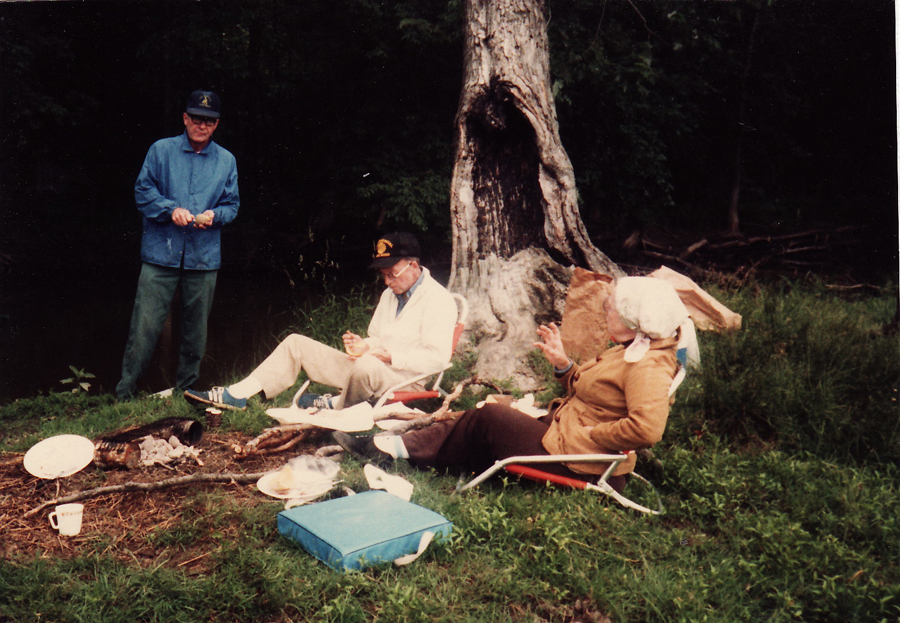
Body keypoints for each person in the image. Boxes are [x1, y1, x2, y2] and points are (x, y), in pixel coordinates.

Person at [334, 276, 700, 492]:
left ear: (634, 318)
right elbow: (596, 392)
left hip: (582, 461)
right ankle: (399, 448)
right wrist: (564, 365)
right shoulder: (633, 347)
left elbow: (647, 429)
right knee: (488, 412)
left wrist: (592, 435)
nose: (605, 311)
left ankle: (389, 450)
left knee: (489, 418)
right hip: (565, 436)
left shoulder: (649, 365)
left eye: (611, 308)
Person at [185, 232, 458, 411]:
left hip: (405, 382)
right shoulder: (391, 294)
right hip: (370, 370)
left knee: (367, 365)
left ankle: (336, 406)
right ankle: (238, 394)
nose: (387, 282)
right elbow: (376, 337)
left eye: (392, 274)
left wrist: (389, 357)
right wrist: (364, 345)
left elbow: (437, 359)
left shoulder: (438, 300)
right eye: (383, 275)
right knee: (296, 343)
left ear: (413, 265)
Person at [115, 90, 240, 400]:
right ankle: (125, 394)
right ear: (185, 118)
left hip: (203, 258)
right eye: (196, 118)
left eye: (209, 121)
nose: (202, 125)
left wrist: (216, 215)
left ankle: (186, 393)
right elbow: (143, 192)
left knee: (196, 332)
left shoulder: (227, 160)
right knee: (144, 327)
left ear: (216, 124)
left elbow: (232, 205)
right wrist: (170, 210)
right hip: (160, 255)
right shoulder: (161, 151)